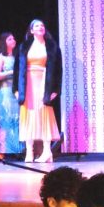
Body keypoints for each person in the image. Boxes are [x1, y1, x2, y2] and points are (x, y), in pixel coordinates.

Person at [15, 20, 62, 163]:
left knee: (44, 114)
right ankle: (29, 152)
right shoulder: (23, 47)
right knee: (29, 115)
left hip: (44, 83)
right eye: (37, 26)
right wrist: (16, 89)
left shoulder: (52, 47)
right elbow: (18, 69)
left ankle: (47, 151)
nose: (40, 27)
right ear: (31, 30)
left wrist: (55, 90)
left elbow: (58, 71)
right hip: (27, 84)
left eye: (42, 25)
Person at [0, 32, 21, 158]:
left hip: (15, 91)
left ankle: (17, 150)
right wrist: (11, 72)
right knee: (4, 120)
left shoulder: (17, 56)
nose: (13, 40)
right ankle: (2, 151)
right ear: (4, 42)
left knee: (16, 119)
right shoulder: (0, 57)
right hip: (4, 91)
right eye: (10, 39)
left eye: (14, 38)